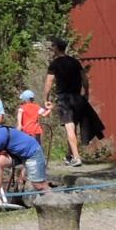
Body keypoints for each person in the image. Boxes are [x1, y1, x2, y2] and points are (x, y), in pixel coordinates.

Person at [43, 38, 88, 167]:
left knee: (69, 128)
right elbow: (84, 78)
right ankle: (70, 155)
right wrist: (87, 93)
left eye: (52, 46)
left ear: (57, 47)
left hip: (64, 99)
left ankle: (77, 157)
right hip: (77, 98)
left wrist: (46, 99)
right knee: (73, 128)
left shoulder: (55, 64)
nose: (51, 48)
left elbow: (48, 82)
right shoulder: (75, 62)